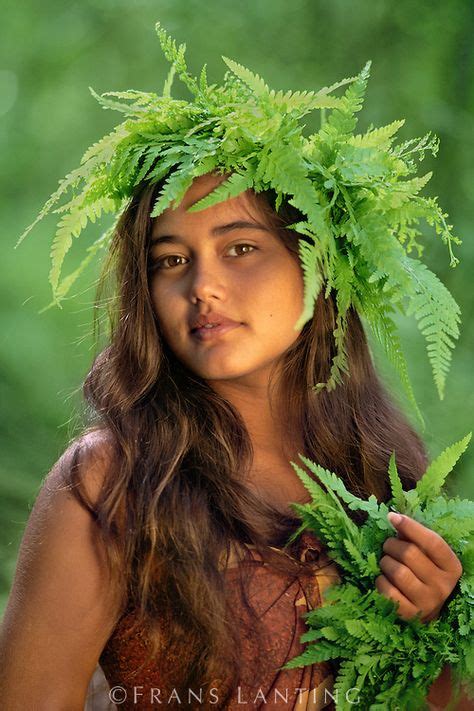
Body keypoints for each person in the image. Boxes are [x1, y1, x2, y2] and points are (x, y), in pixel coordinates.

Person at [1, 24, 471, 709]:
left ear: (320, 265)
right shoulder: (111, 484)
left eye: (241, 247)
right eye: (170, 259)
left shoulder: (386, 476)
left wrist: (431, 627)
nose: (203, 286)